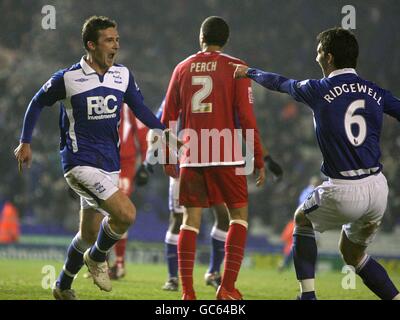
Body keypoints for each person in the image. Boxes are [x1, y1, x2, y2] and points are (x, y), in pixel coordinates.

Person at [231, 27, 400, 300]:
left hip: (345, 187)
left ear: (329, 57)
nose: (316, 56)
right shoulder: (376, 92)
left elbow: (279, 82)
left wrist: (248, 72)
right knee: (353, 256)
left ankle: (307, 296)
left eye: (319, 51)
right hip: (378, 190)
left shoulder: (318, 89)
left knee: (301, 220)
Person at [14, 16, 168, 300]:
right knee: (126, 214)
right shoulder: (68, 78)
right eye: (109, 40)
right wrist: (25, 141)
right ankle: (98, 257)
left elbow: (141, 109)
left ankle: (62, 284)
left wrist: (163, 130)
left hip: (109, 164)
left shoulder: (122, 75)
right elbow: (37, 102)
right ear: (91, 45)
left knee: (87, 233)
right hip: (79, 163)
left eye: (117, 40)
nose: (116, 46)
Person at [161, 16, 265, 300]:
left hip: (192, 154)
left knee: (189, 221)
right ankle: (226, 288)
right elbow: (245, 117)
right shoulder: (235, 67)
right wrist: (258, 155)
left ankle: (188, 293)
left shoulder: (182, 67)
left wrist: (167, 155)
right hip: (226, 152)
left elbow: (167, 117)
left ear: (201, 37)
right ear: (226, 39)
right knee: (239, 218)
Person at [108, 103, 149, 280]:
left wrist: (145, 164)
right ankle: (100, 260)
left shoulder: (129, 99)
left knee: (120, 212)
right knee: (100, 212)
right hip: (102, 160)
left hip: (124, 163)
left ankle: (119, 263)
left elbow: (142, 131)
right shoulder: (97, 92)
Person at [278, 176, 318, 272]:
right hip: (307, 219)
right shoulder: (312, 192)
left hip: (305, 218)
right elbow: (305, 205)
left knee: (304, 244)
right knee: (303, 243)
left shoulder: (306, 191)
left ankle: (286, 264)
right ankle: (286, 263)